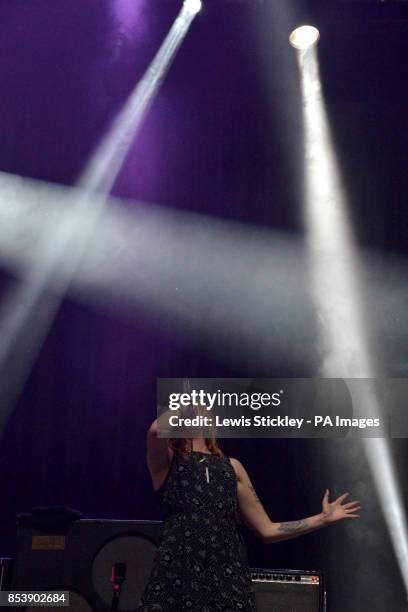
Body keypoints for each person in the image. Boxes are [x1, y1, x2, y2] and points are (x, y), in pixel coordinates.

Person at [139, 414, 361, 612]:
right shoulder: (167, 462)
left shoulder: (232, 467)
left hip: (226, 572)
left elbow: (267, 529)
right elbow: (156, 430)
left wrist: (322, 518)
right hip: (178, 570)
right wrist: (184, 405)